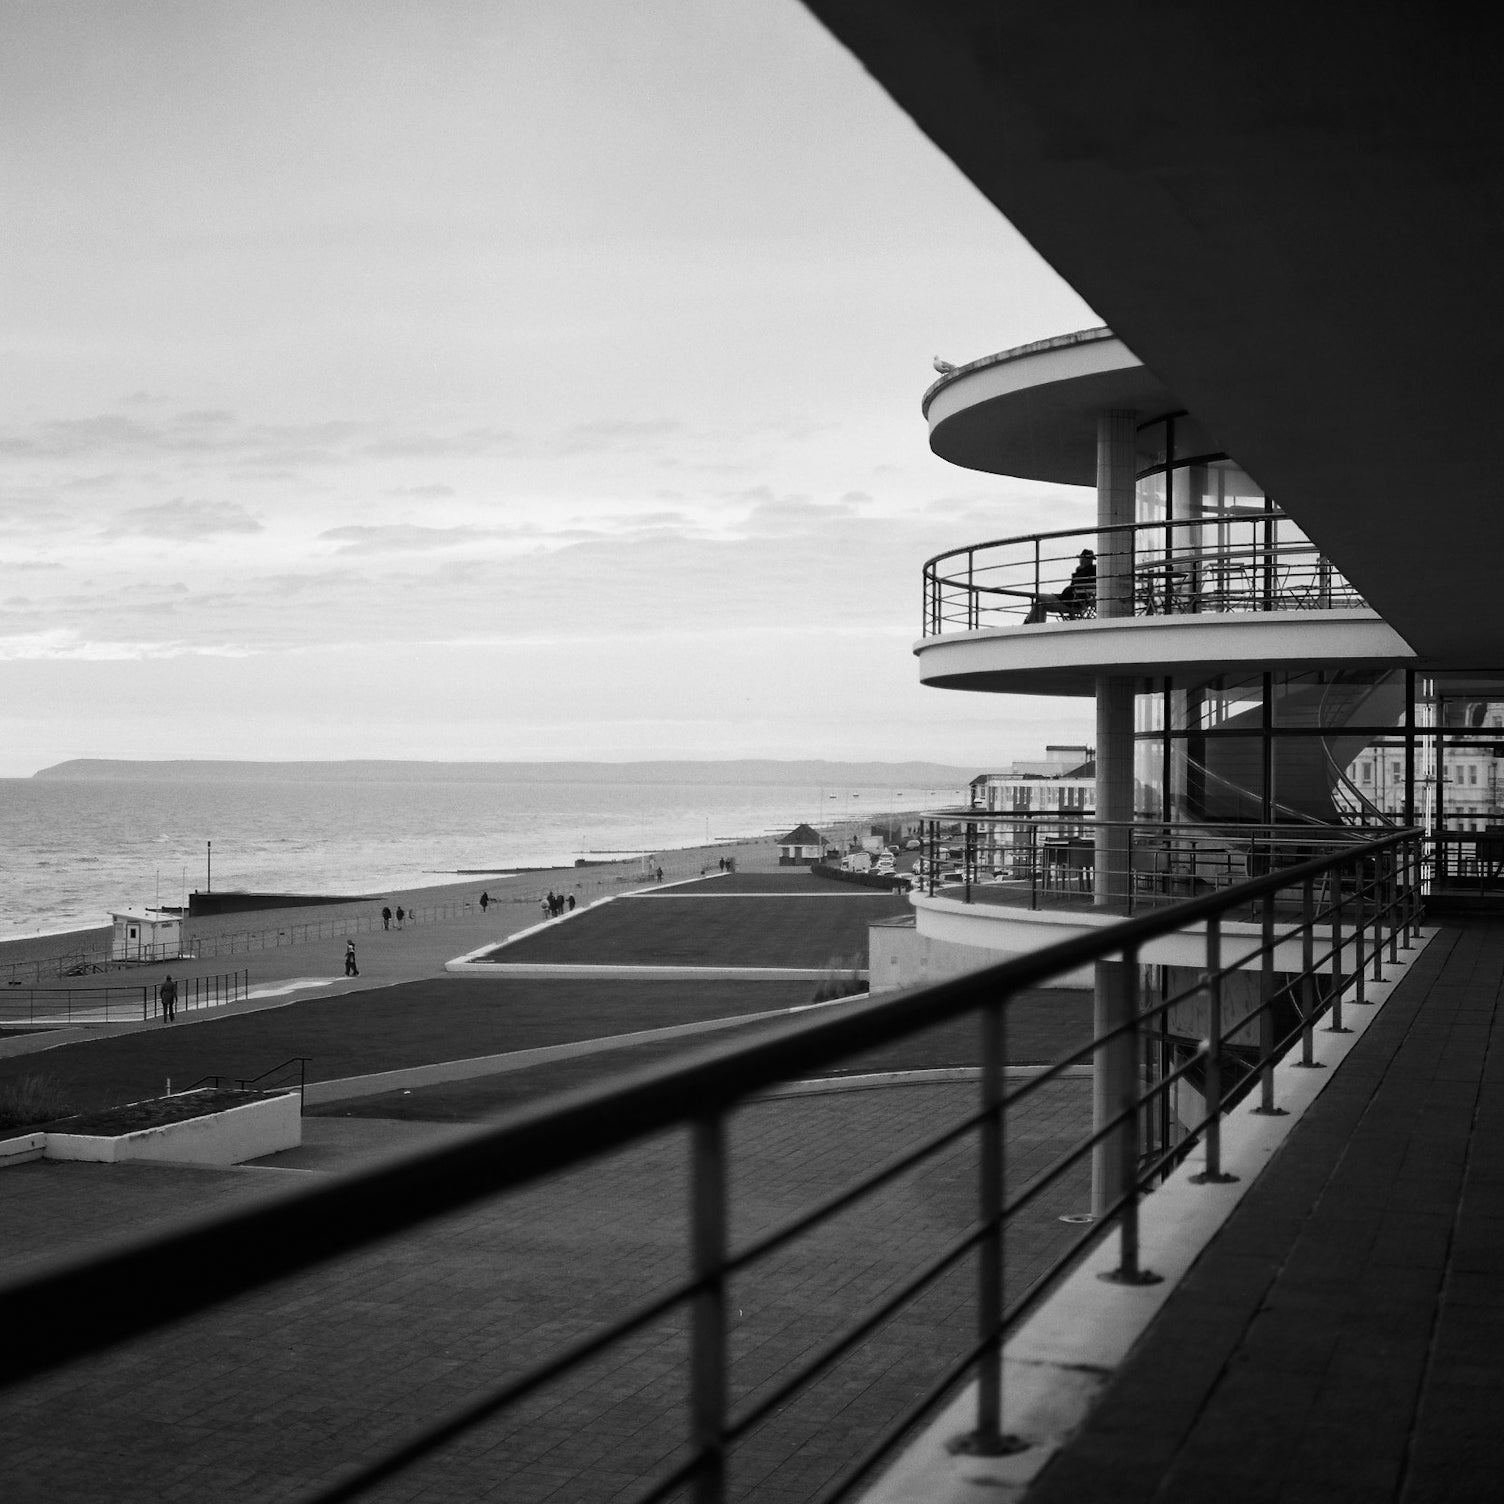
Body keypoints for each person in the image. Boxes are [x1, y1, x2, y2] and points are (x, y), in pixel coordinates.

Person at [1025, 548, 1097, 623]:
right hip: (1067, 599)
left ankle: (1028, 623)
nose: (1081, 560)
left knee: (1040, 598)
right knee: (1041, 604)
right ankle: (1037, 626)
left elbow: (1078, 584)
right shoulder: (1084, 571)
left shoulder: (1087, 572)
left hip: (1069, 602)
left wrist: (1078, 572)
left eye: (1083, 558)